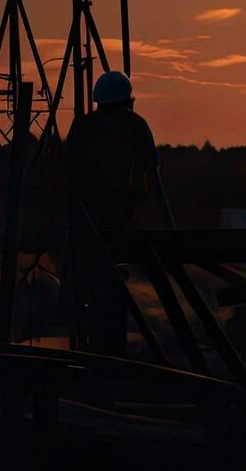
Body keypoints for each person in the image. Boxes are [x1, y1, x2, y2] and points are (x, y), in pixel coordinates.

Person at [65, 70, 173, 355]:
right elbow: (152, 171)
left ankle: (91, 350)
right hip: (119, 222)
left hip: (84, 226)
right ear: (128, 98)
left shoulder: (82, 127)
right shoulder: (135, 126)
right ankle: (111, 355)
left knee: (89, 292)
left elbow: (66, 173)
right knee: (112, 295)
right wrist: (167, 225)